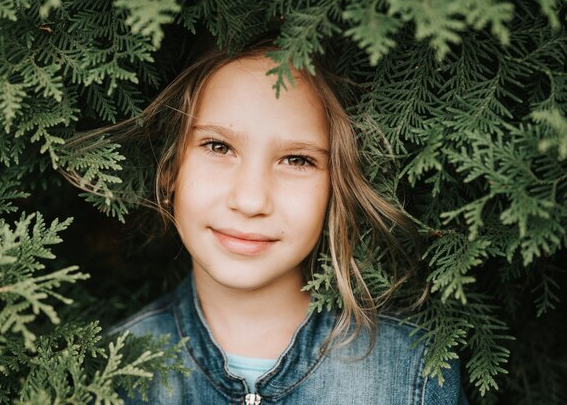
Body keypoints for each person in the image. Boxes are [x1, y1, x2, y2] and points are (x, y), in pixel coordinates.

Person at [91, 40, 467, 404]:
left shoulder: (412, 373)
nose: (251, 200)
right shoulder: (114, 371)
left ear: (336, 184)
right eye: (218, 147)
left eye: (297, 160)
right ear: (171, 167)